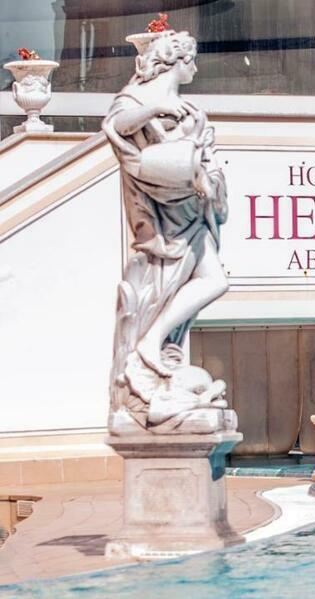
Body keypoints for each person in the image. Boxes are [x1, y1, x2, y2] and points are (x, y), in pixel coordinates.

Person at [103, 31, 230, 431]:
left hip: (191, 206)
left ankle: (153, 342)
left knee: (215, 280)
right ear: (176, 61)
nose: (195, 68)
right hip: (161, 211)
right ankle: (148, 345)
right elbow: (116, 126)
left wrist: (207, 175)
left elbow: (204, 157)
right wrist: (156, 107)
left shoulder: (192, 110)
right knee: (205, 280)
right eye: (192, 60)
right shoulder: (136, 98)